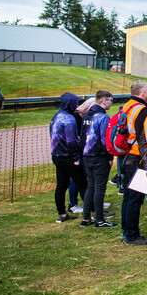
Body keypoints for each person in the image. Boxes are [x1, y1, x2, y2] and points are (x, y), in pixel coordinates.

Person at [119, 81, 147, 245]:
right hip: (136, 156)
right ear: (143, 93)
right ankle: (132, 234)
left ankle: (126, 230)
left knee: (127, 196)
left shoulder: (127, 106)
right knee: (135, 197)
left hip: (126, 154)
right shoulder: (141, 110)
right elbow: (142, 138)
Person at [51, 92, 88, 223]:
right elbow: (71, 141)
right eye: (76, 103)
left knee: (62, 184)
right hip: (68, 156)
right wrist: (76, 158)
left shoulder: (55, 116)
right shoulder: (69, 119)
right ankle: (92, 212)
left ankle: (61, 213)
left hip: (56, 155)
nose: (77, 106)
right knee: (82, 182)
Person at [80, 90, 115, 227]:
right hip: (99, 156)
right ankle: (99, 219)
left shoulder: (87, 116)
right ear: (104, 101)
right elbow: (105, 139)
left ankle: (86, 217)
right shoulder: (103, 118)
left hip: (87, 155)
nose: (111, 104)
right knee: (100, 188)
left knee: (91, 186)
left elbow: (82, 137)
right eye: (110, 100)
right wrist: (109, 156)